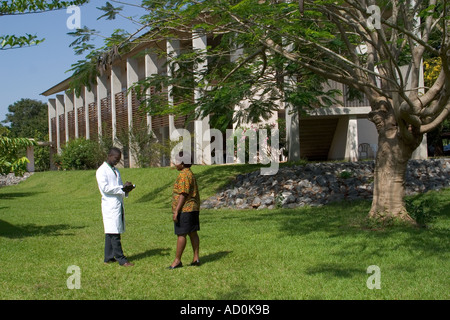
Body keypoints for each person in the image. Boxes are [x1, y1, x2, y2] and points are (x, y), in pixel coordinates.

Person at [96, 147, 135, 267]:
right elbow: (105, 188)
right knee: (114, 234)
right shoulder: (101, 171)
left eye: (118, 159)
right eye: (115, 158)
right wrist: (121, 188)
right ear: (109, 155)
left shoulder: (116, 171)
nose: (117, 161)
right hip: (109, 205)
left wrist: (126, 189)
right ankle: (121, 259)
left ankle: (108, 257)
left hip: (117, 204)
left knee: (110, 232)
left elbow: (119, 187)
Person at [168, 151, 201, 269]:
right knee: (193, 232)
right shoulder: (190, 173)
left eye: (176, 161)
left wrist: (177, 211)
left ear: (182, 163)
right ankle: (196, 258)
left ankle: (177, 261)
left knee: (181, 234)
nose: (174, 163)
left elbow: (183, 194)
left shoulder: (183, 175)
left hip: (185, 209)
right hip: (193, 208)